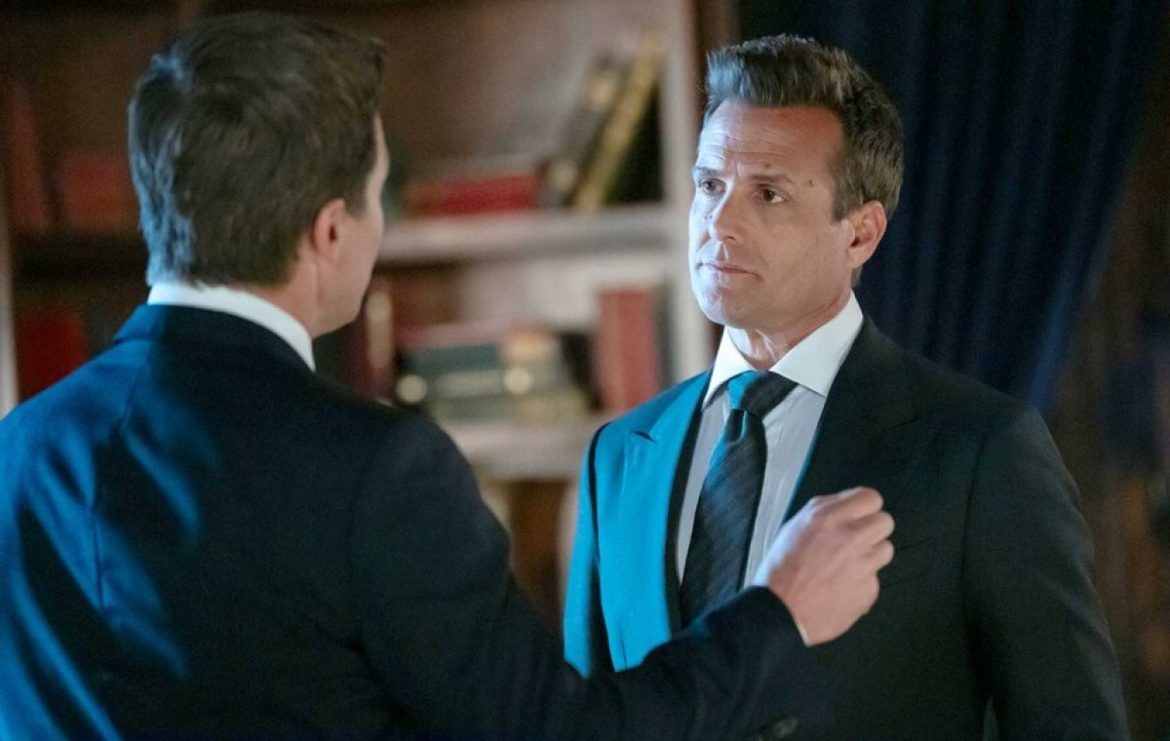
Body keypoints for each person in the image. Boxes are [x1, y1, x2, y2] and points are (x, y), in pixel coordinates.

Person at [0, 13, 897, 739]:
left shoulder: (18, 450)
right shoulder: (375, 470)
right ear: (331, 231)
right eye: (378, 194)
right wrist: (777, 615)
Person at [564, 34, 1130, 738]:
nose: (719, 223)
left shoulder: (982, 450)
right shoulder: (620, 456)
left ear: (860, 234)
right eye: (709, 185)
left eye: (768, 193)